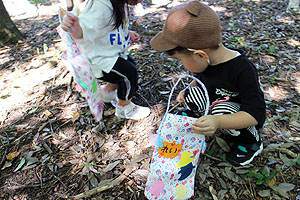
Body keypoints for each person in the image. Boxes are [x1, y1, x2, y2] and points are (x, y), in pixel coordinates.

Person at [150, 0, 266, 166]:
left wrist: (217, 121)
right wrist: (188, 91)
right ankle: (200, 116)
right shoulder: (205, 62)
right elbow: (200, 82)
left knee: (222, 110)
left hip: (237, 115)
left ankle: (251, 142)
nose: (182, 64)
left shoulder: (242, 70)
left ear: (200, 55)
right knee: (192, 94)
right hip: (214, 108)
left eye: (180, 59)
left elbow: (255, 113)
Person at [61, 0, 150, 120]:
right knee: (129, 74)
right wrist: (76, 30)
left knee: (128, 63)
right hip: (99, 60)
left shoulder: (117, 3)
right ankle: (125, 108)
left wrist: (126, 34)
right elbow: (84, 29)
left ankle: (108, 92)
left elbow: (108, 28)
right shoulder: (101, 5)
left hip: (110, 53)